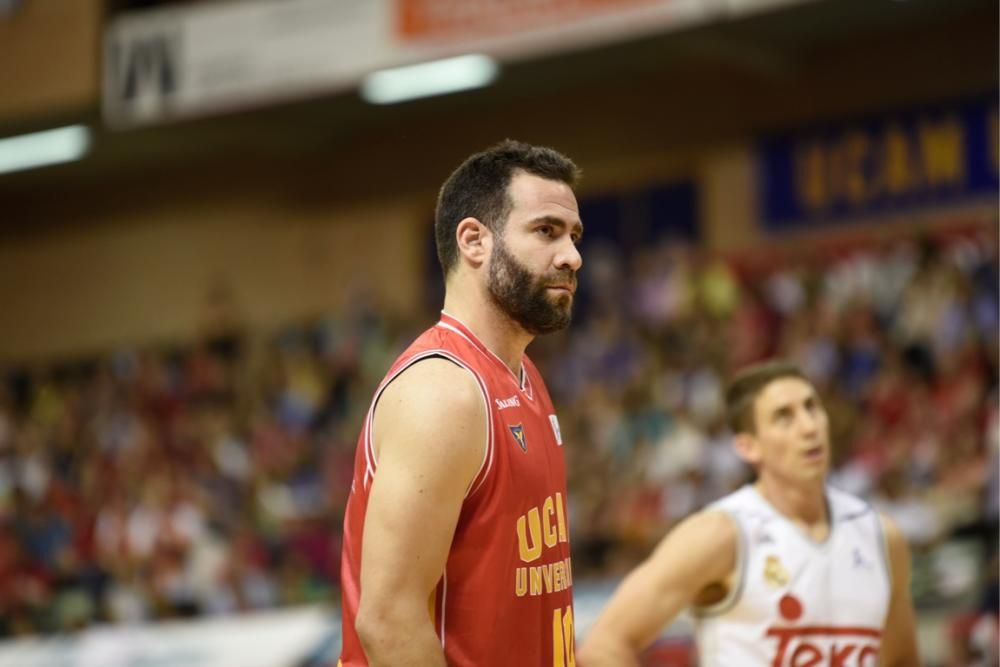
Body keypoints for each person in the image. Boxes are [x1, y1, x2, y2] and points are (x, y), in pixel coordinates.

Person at [338, 140, 584, 666]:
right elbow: (387, 621)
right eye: (547, 231)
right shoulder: (444, 391)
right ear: (474, 240)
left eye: (573, 235)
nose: (572, 255)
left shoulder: (524, 378)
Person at [578, 359, 920, 667]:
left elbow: (902, 659)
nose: (808, 427)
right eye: (784, 417)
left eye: (812, 408)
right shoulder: (722, 533)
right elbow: (603, 645)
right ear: (748, 446)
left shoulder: (880, 536)